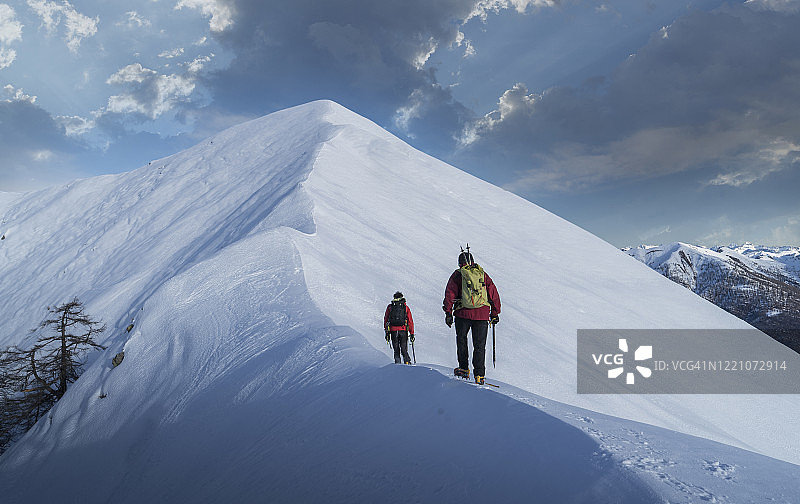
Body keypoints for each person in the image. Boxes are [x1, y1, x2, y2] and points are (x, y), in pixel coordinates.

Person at [442, 246, 501, 384]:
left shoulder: (458, 275)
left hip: (463, 314)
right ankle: (479, 375)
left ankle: (463, 369)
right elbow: (493, 294)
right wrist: (495, 313)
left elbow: (449, 294)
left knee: (462, 340)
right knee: (479, 345)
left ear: (459, 263)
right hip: (482, 314)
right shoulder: (482, 274)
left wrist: (448, 312)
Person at [384, 291, 415, 364]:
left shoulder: (390, 307)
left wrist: (387, 332)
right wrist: (412, 333)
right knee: (404, 349)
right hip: (403, 330)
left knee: (396, 349)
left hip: (393, 331)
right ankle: (407, 363)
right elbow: (410, 321)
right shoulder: (405, 307)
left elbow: (386, 319)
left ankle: (397, 365)